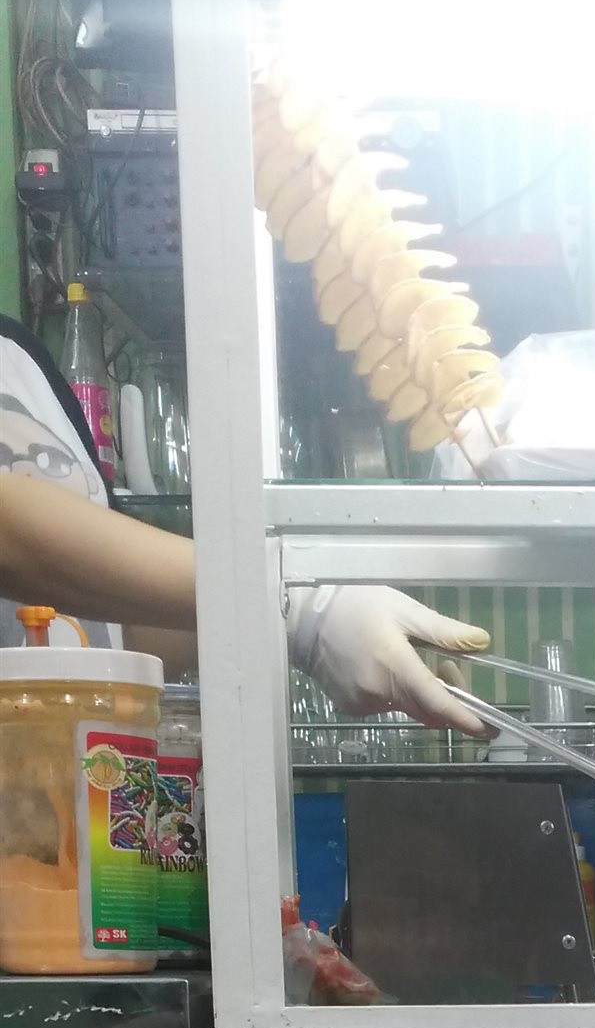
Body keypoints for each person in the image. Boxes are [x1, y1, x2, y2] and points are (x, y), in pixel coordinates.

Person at [0, 309, 489, 726]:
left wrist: (314, 631)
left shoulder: (21, 359)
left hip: (83, 773)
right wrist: (298, 604)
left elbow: (112, 623)